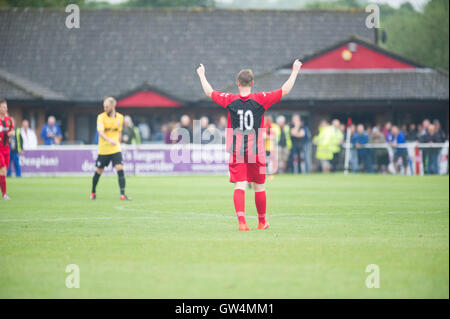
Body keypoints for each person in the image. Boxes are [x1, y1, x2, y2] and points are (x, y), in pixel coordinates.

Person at [196, 59, 302, 231]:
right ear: (252, 83)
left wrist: (202, 74)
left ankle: (242, 223)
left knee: (240, 184)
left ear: (238, 83)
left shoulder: (230, 99)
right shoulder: (261, 99)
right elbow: (285, 90)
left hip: (237, 150)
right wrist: (295, 70)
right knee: (259, 185)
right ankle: (261, 222)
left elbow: (209, 92)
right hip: (257, 151)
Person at [90, 97, 131, 201]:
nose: (105, 108)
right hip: (104, 149)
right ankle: (93, 192)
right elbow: (101, 132)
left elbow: (119, 132)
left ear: (113, 106)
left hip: (116, 148)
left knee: (120, 168)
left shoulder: (120, 117)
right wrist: (109, 140)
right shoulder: (101, 117)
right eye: (104, 106)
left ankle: (123, 195)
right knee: (99, 171)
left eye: (107, 106)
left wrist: (120, 141)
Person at [0, 99, 15, 199]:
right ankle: (4, 194)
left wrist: (11, 133)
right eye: (4, 107)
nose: (6, 108)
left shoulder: (9, 120)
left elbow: (13, 131)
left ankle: (4, 194)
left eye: (6, 107)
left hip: (6, 149)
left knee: (3, 172)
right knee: (3, 170)